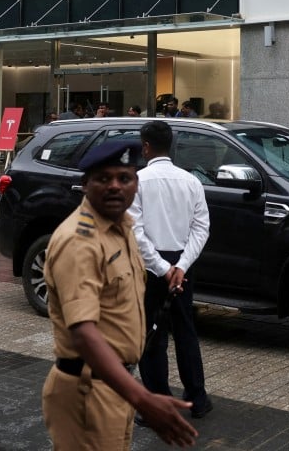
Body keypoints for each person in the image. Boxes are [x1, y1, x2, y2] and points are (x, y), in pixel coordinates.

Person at [42, 140, 198, 450]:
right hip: (88, 392)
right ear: (85, 184)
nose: (115, 186)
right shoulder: (80, 240)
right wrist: (143, 399)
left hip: (115, 386)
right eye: (104, 178)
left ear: (136, 184)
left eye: (124, 178)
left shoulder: (122, 227)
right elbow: (83, 334)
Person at [129, 121, 212, 423]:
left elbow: (135, 232)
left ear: (146, 146)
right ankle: (197, 399)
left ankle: (158, 406)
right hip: (182, 265)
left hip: (152, 268)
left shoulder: (138, 180)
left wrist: (163, 269)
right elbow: (202, 228)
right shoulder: (191, 182)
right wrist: (181, 266)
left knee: (153, 336)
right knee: (186, 332)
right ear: (171, 145)